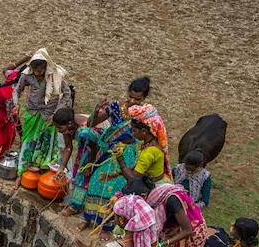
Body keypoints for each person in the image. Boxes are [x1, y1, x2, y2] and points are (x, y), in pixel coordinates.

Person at [62, 89, 142, 228]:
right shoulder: (116, 107)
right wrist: (96, 110)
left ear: (144, 98)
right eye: (131, 96)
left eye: (138, 99)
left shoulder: (144, 113)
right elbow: (91, 123)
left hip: (127, 153)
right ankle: (88, 219)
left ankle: (105, 226)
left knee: (115, 188)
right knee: (95, 181)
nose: (132, 101)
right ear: (127, 92)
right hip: (110, 149)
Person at [12, 48, 67, 179]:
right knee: (28, 143)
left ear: (45, 66)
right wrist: (17, 103)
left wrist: (57, 111)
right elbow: (16, 90)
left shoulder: (55, 75)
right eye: (35, 70)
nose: (37, 73)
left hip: (48, 117)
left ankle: (42, 175)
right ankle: (23, 173)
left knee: (45, 146)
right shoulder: (27, 75)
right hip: (31, 114)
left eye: (40, 70)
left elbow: (67, 93)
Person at [123, 104, 170, 183]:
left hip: (153, 187)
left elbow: (133, 180)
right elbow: (137, 167)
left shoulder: (150, 152)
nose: (133, 133)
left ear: (144, 131)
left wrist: (121, 161)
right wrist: (114, 174)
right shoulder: (150, 144)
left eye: (134, 130)